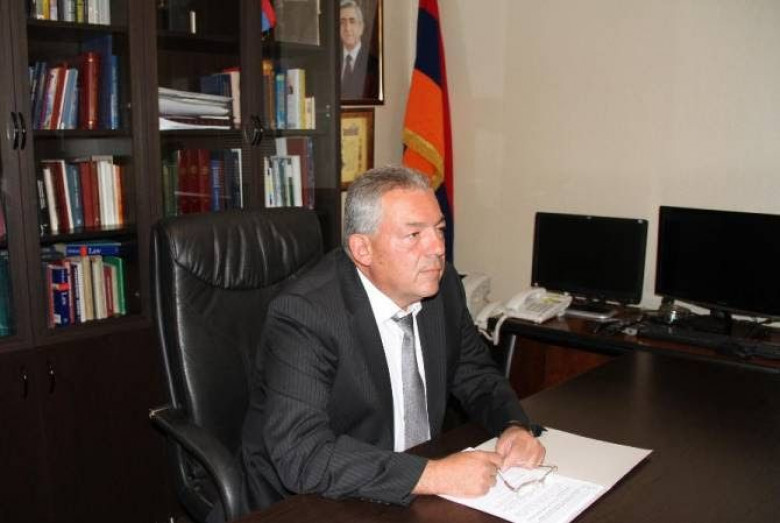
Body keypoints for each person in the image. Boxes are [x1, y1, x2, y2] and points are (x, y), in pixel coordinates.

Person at [241, 166, 545, 511]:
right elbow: (303, 455)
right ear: (363, 249)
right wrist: (434, 475)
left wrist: (513, 425)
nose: (437, 248)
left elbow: (475, 373)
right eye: (414, 235)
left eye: (439, 229)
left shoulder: (442, 287)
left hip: (412, 489)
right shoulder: (305, 314)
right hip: (316, 501)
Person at [339, 0, 379, 100]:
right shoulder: (330, 62)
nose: (347, 28)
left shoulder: (374, 65)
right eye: (342, 22)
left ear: (361, 27)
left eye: (352, 21)